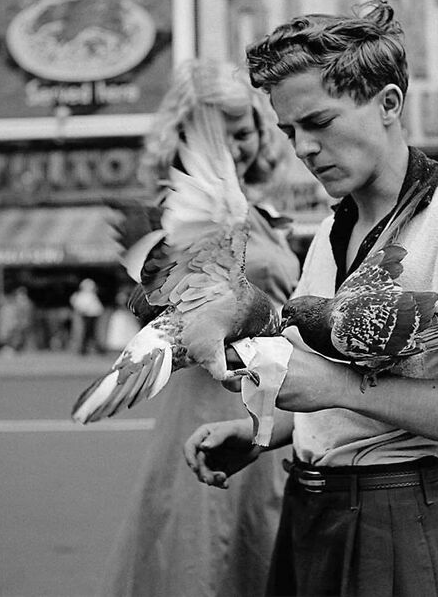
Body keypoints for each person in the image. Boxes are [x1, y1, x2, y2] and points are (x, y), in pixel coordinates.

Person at [184, 1, 438, 596]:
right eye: (290, 131)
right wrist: (264, 434)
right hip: (311, 511)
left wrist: (334, 388)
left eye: (319, 123)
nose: (302, 148)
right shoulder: (333, 228)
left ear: (389, 104)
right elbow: (331, 397)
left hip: (396, 520)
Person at [99, 59, 300, 597]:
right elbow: (154, 296)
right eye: (215, 134)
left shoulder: (263, 214)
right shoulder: (186, 215)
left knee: (259, 549)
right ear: (183, 139)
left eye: (243, 131)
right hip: (213, 403)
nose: (234, 148)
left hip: (278, 406)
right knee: (206, 558)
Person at [69, 278, 105, 355]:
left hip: (93, 316)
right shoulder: (83, 295)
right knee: (88, 333)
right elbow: (79, 305)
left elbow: (97, 307)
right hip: (87, 316)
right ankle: (84, 349)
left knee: (92, 333)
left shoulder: (91, 295)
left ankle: (91, 349)